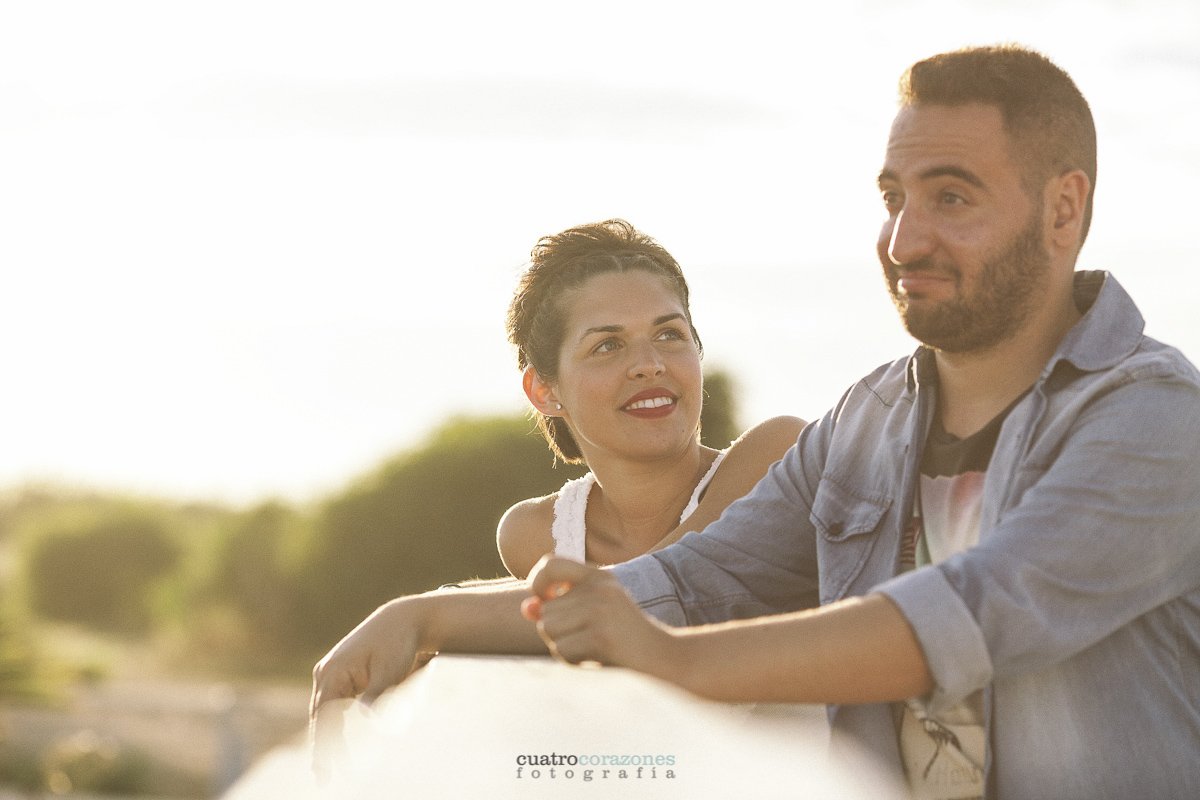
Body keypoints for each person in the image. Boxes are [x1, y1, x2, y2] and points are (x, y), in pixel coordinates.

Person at [312, 45, 1200, 799]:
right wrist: (423, 618)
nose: (903, 240)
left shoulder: (1155, 417)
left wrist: (674, 662)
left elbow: (967, 613)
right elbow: (695, 583)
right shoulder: (866, 420)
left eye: (951, 198)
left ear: (1063, 209)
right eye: (894, 197)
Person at [495, 219, 804, 578]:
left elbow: (655, 584)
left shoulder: (777, 458)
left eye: (669, 334)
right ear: (543, 391)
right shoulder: (536, 536)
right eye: (607, 345)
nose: (649, 364)